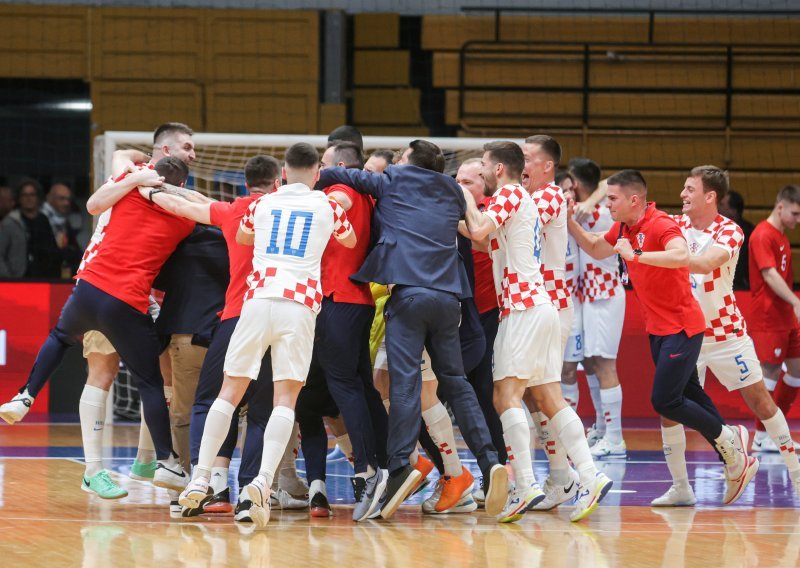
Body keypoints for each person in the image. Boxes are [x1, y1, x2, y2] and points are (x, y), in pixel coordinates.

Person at [316, 139, 508, 520]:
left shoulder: (393, 180)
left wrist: (311, 177)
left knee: (404, 385)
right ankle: (489, 462)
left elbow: (340, 173)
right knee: (456, 382)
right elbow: (477, 228)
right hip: (450, 299)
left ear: (407, 161)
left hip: (409, 295)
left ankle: (400, 464)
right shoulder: (453, 190)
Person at [178, 143, 356, 529]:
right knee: (285, 400)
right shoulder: (327, 205)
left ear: (285, 172)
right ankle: (261, 482)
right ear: (316, 172)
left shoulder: (261, 204)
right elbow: (349, 242)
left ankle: (201, 477)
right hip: (299, 306)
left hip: (257, 301)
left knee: (229, 392)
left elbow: (243, 238)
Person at [3, 157, 195, 497]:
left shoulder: (125, 189)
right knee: (147, 381)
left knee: (60, 336)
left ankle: (25, 395)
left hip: (87, 288)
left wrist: (137, 179)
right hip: (125, 300)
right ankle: (166, 461)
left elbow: (100, 195)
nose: (192, 152)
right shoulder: (182, 218)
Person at [568, 169, 759, 506]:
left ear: (634, 200)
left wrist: (635, 256)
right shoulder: (626, 227)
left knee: (665, 401)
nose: (608, 204)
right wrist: (568, 221)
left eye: (613, 199)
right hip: (658, 330)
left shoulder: (659, 224)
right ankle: (730, 456)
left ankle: (730, 438)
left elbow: (681, 256)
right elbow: (597, 248)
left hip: (683, 328)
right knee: (691, 396)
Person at [462, 141, 611, 523]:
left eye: (481, 168)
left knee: (505, 394)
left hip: (527, 305)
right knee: (545, 396)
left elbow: (480, 225)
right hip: (539, 304)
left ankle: (526, 483)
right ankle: (587, 476)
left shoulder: (519, 195)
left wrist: (461, 195)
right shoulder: (521, 199)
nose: (477, 175)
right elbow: (480, 236)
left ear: (498, 170)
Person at [653, 166, 800, 506]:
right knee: (667, 408)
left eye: (690, 189)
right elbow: (642, 225)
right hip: (684, 334)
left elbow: (707, 262)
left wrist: (660, 257)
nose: (682, 195)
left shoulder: (730, 231)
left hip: (724, 333)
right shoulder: (675, 225)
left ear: (710, 196)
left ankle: (794, 473)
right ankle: (681, 488)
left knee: (761, 401)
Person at [312, 141, 389, 521]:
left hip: (338, 298)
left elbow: (337, 200)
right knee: (360, 386)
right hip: (358, 300)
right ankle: (387, 461)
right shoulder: (370, 197)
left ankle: (367, 470)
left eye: (324, 165)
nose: (320, 173)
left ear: (340, 165)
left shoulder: (340, 189)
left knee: (343, 387)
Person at [568, 158, 626, 458]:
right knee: (590, 362)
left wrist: (588, 201)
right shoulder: (586, 210)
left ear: (576, 184)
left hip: (605, 293)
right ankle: (604, 429)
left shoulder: (599, 214)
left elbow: (607, 182)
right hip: (588, 295)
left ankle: (615, 438)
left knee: (604, 364)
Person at [748, 185, 800, 452]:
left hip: (786, 317)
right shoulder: (762, 235)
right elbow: (769, 275)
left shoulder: (780, 235)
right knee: (768, 373)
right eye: (795, 213)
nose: (798, 220)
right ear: (781, 206)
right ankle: (761, 436)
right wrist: (795, 301)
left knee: (796, 372)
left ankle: (776, 431)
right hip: (768, 316)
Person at [12, 178, 60, 278]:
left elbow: (52, 249)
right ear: (19, 198)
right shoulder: (12, 221)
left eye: (32, 194)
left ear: (38, 197)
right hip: (18, 278)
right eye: (24, 195)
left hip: (43, 277)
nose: (28, 198)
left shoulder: (43, 220)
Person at [42, 182, 82, 276]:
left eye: (68, 199)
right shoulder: (41, 218)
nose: (66, 203)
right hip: (42, 278)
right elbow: (46, 253)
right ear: (50, 198)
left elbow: (76, 250)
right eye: (61, 199)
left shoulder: (64, 221)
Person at [719, 190, 755, 290]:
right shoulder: (715, 227)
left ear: (733, 211)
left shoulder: (748, 233)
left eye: (721, 205)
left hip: (739, 287)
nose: (717, 207)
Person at [0, 185, 26, 277]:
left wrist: (8, 278)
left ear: (12, 202)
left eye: (1, 199)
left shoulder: (8, 224)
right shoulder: (10, 222)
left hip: (12, 280)